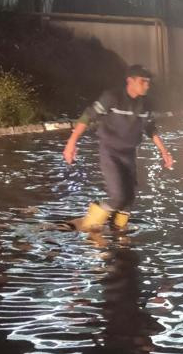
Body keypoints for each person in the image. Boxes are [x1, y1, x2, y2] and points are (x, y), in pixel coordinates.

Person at [63, 64, 174, 230]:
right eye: (143, 81)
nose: (147, 85)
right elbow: (88, 116)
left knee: (129, 198)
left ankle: (119, 232)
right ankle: (89, 227)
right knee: (118, 197)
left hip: (129, 154)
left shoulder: (146, 104)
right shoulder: (112, 97)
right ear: (130, 81)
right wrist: (71, 142)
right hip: (111, 153)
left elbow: (150, 128)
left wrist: (164, 152)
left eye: (148, 82)